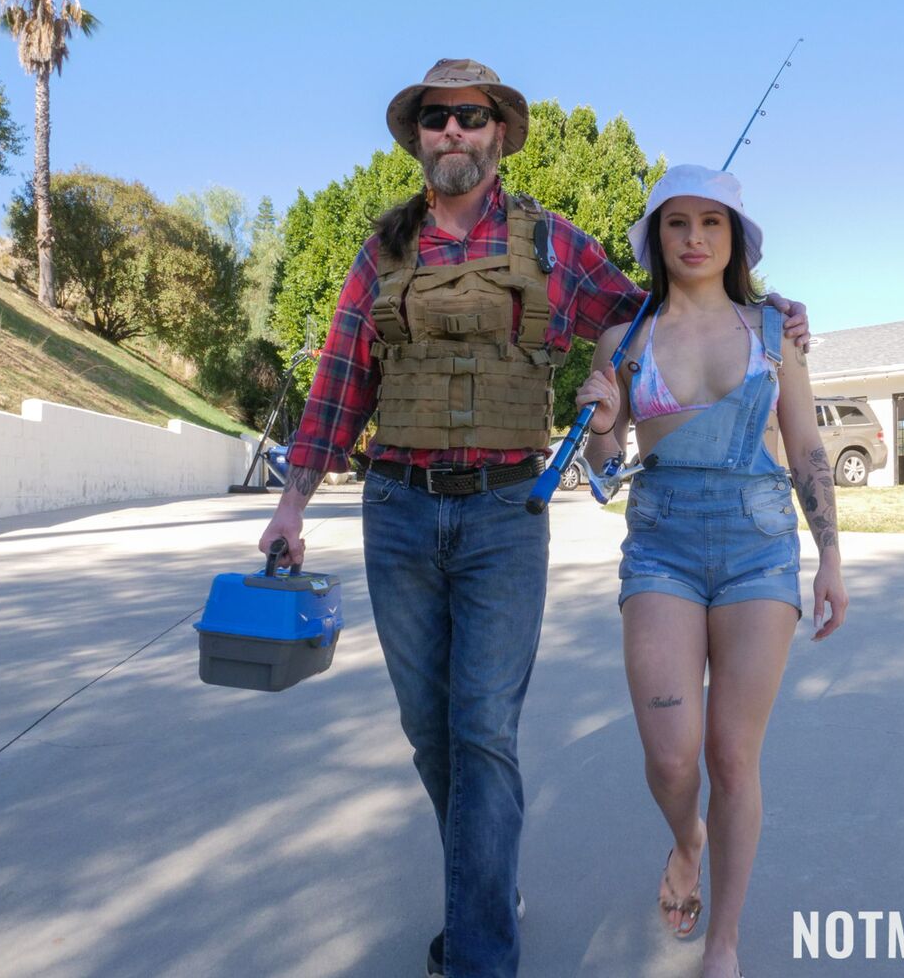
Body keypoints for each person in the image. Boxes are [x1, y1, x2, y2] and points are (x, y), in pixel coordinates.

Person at [256, 62, 809, 978]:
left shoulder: (555, 246)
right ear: (418, 137)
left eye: (471, 116)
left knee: (481, 729)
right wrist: (292, 504)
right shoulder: (380, 253)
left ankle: (481, 953)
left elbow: (665, 313)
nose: (454, 131)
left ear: (499, 135)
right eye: (437, 117)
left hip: (505, 515)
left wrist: (767, 314)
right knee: (430, 732)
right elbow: (340, 382)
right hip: (397, 513)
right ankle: (487, 882)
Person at [575, 164, 848, 978]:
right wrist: (602, 424)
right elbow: (603, 476)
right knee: (671, 758)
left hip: (758, 545)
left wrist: (831, 556)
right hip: (660, 545)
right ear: (656, 238)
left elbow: (806, 447)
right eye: (677, 223)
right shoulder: (624, 342)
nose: (694, 238)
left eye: (711, 222)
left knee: (732, 757)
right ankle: (687, 839)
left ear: (736, 239)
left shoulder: (773, 331)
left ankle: (724, 940)